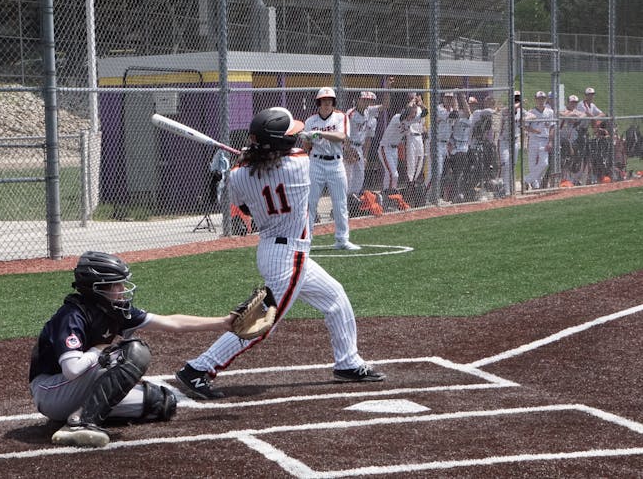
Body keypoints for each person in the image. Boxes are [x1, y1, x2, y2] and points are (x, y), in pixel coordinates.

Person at [174, 107, 385, 400]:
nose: (296, 136)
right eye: (289, 134)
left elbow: (245, 206)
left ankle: (348, 363)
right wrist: (255, 156)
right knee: (263, 321)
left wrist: (248, 160)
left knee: (335, 297)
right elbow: (296, 151)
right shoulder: (299, 163)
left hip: (273, 249)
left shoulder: (238, 175)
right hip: (289, 256)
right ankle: (199, 368)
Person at [29, 251, 235, 448]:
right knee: (134, 352)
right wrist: (98, 351)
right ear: (97, 288)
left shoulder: (115, 310)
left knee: (161, 403)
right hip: (51, 391)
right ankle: (81, 422)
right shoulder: (72, 315)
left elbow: (173, 323)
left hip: (77, 387)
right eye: (116, 284)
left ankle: (81, 413)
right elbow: (72, 369)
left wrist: (225, 323)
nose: (122, 289)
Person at [303, 87, 360, 250]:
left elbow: (341, 136)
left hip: (336, 163)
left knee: (340, 202)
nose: (326, 104)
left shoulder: (340, 117)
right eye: (323, 101)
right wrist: (306, 138)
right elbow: (307, 146)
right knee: (310, 203)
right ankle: (306, 239)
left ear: (333, 102)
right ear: (318, 102)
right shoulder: (310, 121)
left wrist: (319, 134)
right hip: (315, 163)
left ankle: (342, 239)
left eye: (329, 101)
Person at [344, 77, 395, 196]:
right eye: (364, 100)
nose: (366, 102)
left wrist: (387, 88)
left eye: (368, 100)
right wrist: (347, 150)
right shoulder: (350, 114)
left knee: (360, 176)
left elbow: (385, 105)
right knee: (348, 176)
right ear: (357, 100)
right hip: (349, 146)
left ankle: (354, 200)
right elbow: (344, 134)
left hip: (359, 149)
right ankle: (346, 200)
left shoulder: (369, 111)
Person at [523, 91, 555, 190]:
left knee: (544, 163)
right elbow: (525, 126)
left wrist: (550, 141)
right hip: (533, 139)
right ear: (535, 99)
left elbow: (552, 127)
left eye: (543, 98)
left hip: (544, 139)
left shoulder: (550, 112)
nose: (541, 101)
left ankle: (526, 180)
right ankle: (536, 185)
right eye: (539, 98)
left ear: (545, 99)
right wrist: (534, 131)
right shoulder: (531, 112)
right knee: (532, 163)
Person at [497, 90, 523, 195]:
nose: (516, 99)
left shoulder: (521, 111)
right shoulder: (505, 110)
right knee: (506, 164)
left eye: (518, 98)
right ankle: (506, 189)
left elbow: (530, 116)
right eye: (515, 98)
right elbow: (509, 110)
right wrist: (518, 104)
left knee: (511, 165)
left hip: (515, 142)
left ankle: (506, 187)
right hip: (504, 141)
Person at [378, 110, 404, 194]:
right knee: (393, 174)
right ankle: (390, 193)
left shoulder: (408, 122)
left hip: (395, 149)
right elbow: (402, 118)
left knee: (388, 174)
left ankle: (386, 193)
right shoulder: (397, 117)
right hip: (386, 147)